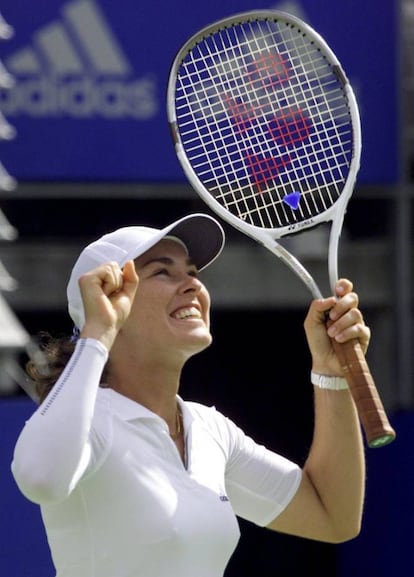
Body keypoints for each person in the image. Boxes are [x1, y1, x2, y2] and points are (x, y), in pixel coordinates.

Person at [11, 212, 368, 577]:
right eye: (162, 272)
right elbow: (40, 478)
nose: (192, 285)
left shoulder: (210, 430)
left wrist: (332, 375)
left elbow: (332, 515)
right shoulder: (93, 421)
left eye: (193, 272)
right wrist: (97, 332)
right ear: (107, 302)